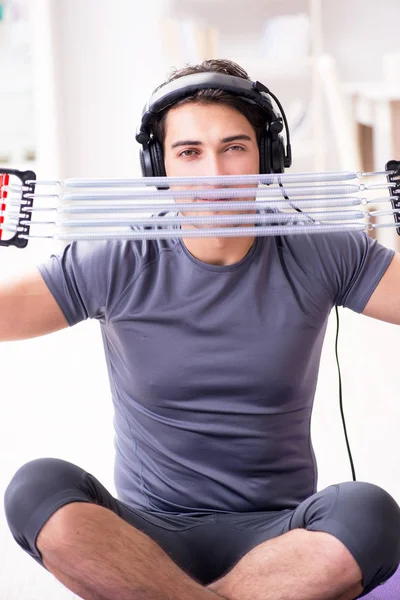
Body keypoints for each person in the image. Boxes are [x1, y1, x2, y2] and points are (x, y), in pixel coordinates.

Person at [3, 58, 400, 600]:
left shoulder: (321, 249)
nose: (214, 173)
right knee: (36, 488)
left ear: (268, 154)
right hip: (145, 539)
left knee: (368, 511)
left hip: (283, 538)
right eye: (189, 152)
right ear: (158, 165)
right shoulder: (117, 257)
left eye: (234, 147)